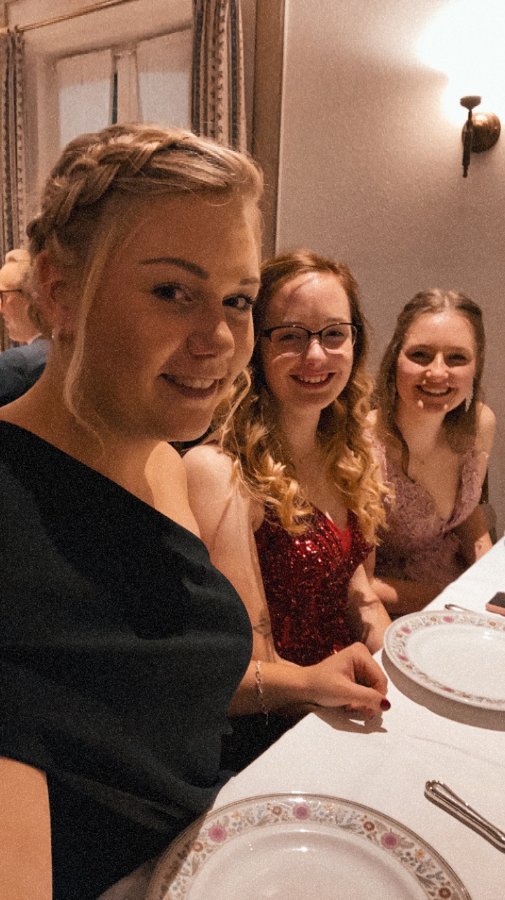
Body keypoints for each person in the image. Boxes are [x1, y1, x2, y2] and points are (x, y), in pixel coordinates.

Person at [0, 129, 388, 900]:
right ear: (59, 291)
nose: (219, 339)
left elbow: (160, 682)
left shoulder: (160, 459)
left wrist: (302, 681)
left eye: (237, 300)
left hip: (222, 844)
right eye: (172, 291)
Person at [184, 250, 391, 763]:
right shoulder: (220, 472)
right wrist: (333, 697)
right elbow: (246, 671)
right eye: (292, 336)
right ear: (256, 345)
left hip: (348, 706)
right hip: (276, 737)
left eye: (334, 334)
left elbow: (359, 594)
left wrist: (402, 663)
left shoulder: (349, 451)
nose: (316, 355)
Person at [369, 288, 496, 616]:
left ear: (476, 366)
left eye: (457, 358)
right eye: (421, 355)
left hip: (462, 594)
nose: (438, 372)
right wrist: (459, 599)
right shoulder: (363, 444)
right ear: (395, 358)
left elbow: (466, 512)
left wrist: (490, 581)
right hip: (393, 609)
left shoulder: (480, 424)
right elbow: (358, 585)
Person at [0, 247, 50, 404]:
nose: (0, 308)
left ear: (29, 296)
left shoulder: (17, 363)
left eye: (2, 296)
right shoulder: (69, 350)